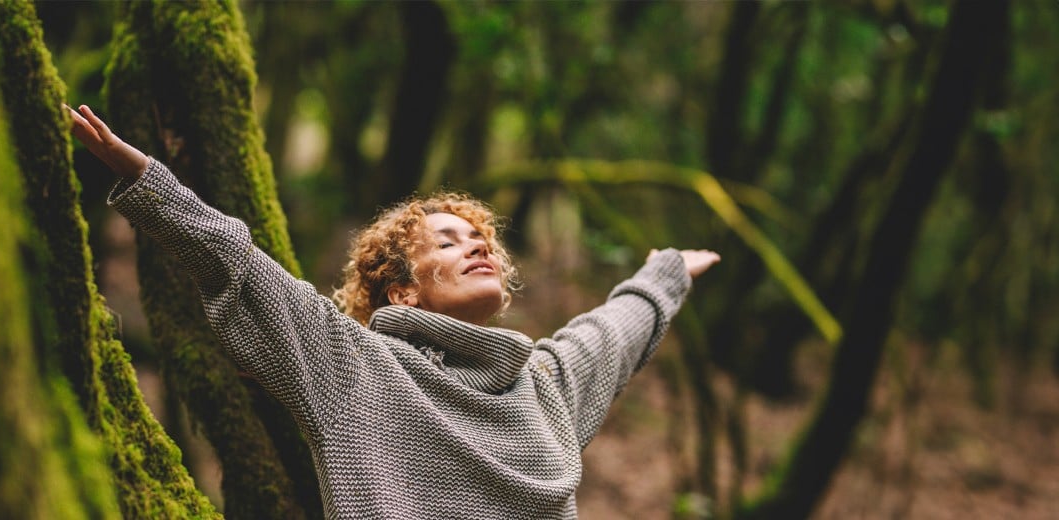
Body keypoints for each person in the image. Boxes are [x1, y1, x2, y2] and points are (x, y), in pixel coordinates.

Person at [68, 103, 720, 519]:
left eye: (482, 241)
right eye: (449, 240)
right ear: (402, 291)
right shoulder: (352, 370)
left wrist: (666, 275)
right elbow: (240, 265)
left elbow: (610, 333)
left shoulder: (544, 386)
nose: (476, 247)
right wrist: (149, 182)